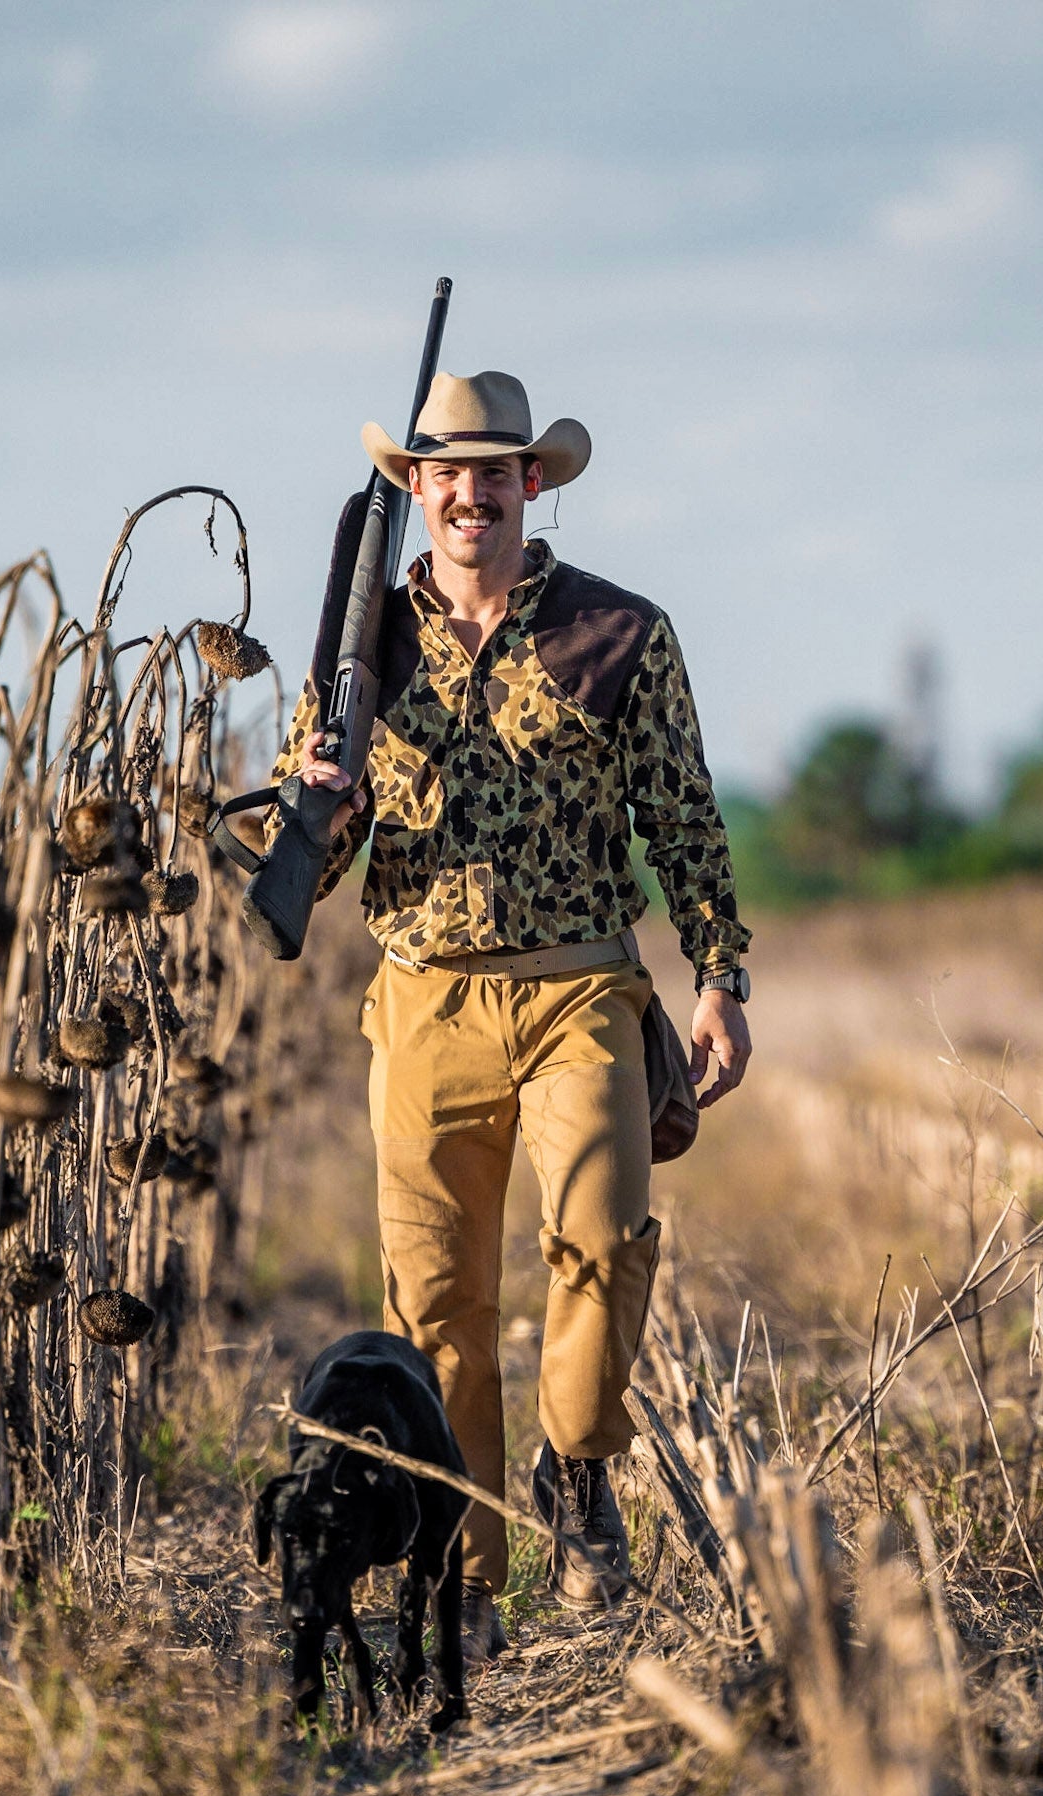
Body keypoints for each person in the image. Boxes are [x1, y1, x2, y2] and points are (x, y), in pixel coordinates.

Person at [266, 370, 751, 1664]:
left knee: (604, 1236)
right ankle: (464, 1576)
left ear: (533, 483)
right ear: (416, 489)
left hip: (582, 986)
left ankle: (578, 1469)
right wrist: (320, 789)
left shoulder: (618, 633)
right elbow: (303, 863)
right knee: (438, 1313)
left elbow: (682, 818)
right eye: (446, 472)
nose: (470, 492)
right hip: (421, 1002)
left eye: (496, 471)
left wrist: (719, 977)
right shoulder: (355, 650)